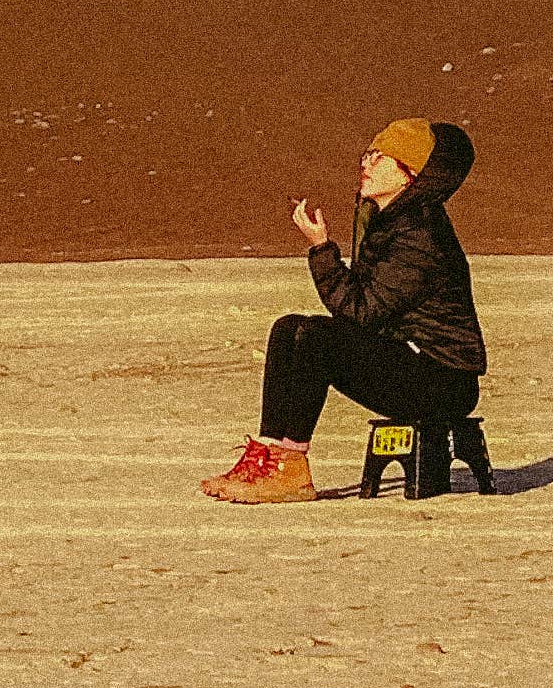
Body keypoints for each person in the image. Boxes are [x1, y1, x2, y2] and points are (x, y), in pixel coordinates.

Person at [202, 118, 485, 504]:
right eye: (369, 152)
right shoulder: (393, 222)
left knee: (315, 337)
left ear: (409, 175)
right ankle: (269, 456)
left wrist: (321, 249)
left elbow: (360, 312)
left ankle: (290, 466)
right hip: (413, 361)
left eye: (380, 156)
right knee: (288, 328)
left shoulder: (420, 235)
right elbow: (364, 305)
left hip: (443, 379)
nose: (366, 162)